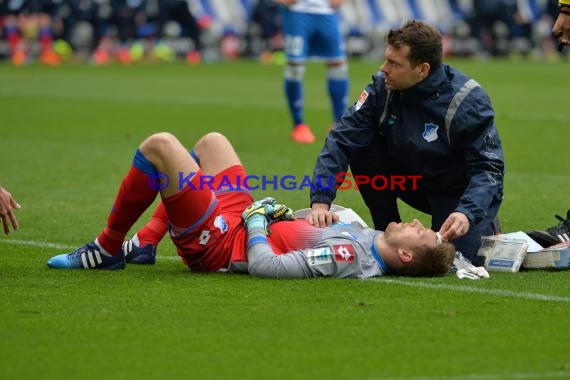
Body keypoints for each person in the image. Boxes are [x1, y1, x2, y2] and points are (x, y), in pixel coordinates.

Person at [46, 132, 455, 278]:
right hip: (239, 220)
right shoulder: (364, 238)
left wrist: (258, 219)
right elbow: (300, 232)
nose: (416, 222)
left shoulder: (348, 256)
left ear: (404, 254)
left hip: (220, 245)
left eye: (419, 232)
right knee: (212, 142)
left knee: (160, 147)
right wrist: (295, 212)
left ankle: (107, 249)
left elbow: (266, 266)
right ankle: (149, 241)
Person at [308, 20, 504, 266]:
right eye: (386, 59)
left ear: (422, 70)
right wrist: (321, 200)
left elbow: (489, 169)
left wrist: (467, 212)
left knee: (459, 261)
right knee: (361, 144)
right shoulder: (382, 88)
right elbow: (341, 138)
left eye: (394, 63)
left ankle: (485, 224)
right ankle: (384, 230)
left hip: (455, 191)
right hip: (410, 180)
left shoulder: (467, 100)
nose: (383, 69)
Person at [276, 0, 349, 144]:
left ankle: (338, 123)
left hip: (327, 12)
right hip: (297, 11)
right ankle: (299, 124)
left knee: (338, 66)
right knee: (295, 67)